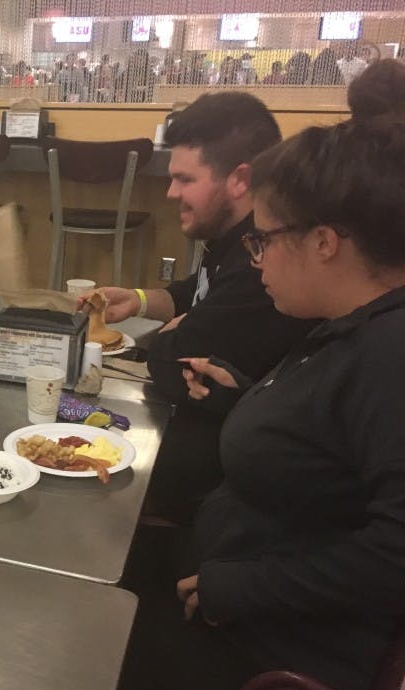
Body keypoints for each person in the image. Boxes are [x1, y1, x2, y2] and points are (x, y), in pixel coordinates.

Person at [118, 114, 405, 690]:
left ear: (326, 242)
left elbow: (395, 551)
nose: (257, 258)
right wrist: (242, 402)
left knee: (66, 620)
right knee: (96, 561)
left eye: (265, 240)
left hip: (267, 658)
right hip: (227, 588)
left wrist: (240, 590)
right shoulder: (342, 326)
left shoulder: (388, 353)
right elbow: (328, 456)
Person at [80, 93, 317, 524]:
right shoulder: (230, 236)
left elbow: (172, 359)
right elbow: (197, 292)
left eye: (185, 180)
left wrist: (170, 337)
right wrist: (140, 299)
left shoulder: (261, 264)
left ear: (240, 180)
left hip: (210, 488)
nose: (171, 193)